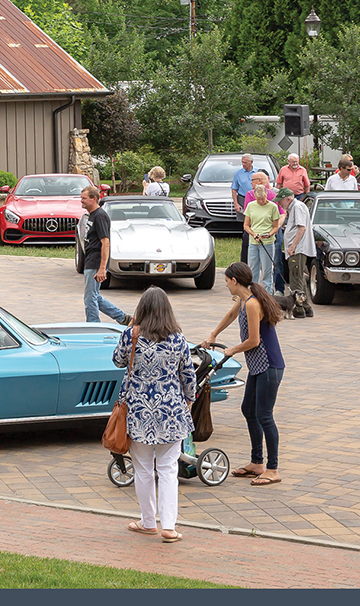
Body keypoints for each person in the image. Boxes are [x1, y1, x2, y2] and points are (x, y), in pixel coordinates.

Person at [113, 286, 197, 540]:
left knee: (143, 469)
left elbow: (117, 360)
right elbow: (189, 375)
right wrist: (190, 399)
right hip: (171, 411)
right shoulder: (178, 339)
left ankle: (148, 521)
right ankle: (169, 526)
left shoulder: (132, 335)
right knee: (169, 468)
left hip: (138, 411)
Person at [205, 262, 285, 486]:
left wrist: (231, 350)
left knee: (265, 416)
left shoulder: (252, 304)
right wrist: (213, 335)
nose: (226, 285)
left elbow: (254, 340)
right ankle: (257, 463)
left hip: (270, 366)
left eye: (226, 281)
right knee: (248, 410)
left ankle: (273, 469)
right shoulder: (243, 300)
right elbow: (230, 316)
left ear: (234, 281)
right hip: (259, 366)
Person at [76, 184, 130, 325]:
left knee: (90, 298)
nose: (81, 201)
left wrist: (102, 268)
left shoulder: (100, 216)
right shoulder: (92, 215)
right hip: (90, 261)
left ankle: (93, 326)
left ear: (94, 199)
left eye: (84, 198)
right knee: (94, 296)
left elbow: (105, 243)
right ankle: (123, 318)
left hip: (96, 262)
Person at [280, 188, 315, 318]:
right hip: (296, 249)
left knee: (296, 278)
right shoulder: (294, 207)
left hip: (298, 250)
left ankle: (298, 309)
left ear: (288, 199)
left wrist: (292, 247)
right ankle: (306, 307)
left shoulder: (297, 207)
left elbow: (302, 228)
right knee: (298, 276)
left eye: (281, 201)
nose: (279, 203)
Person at [243, 180, 283, 290]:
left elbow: (276, 227)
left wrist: (269, 234)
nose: (260, 201)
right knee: (253, 270)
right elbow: (246, 225)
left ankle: (268, 294)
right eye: (258, 199)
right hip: (253, 241)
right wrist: (253, 234)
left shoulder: (272, 207)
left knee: (267, 270)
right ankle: (253, 292)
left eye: (263, 198)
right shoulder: (251, 206)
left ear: (266, 195)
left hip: (267, 242)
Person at [231, 153, 256, 263]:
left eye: (245, 162)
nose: (243, 164)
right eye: (242, 162)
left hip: (256, 199)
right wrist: (236, 203)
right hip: (243, 198)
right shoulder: (238, 173)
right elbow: (234, 189)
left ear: (251, 162)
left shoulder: (258, 172)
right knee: (245, 224)